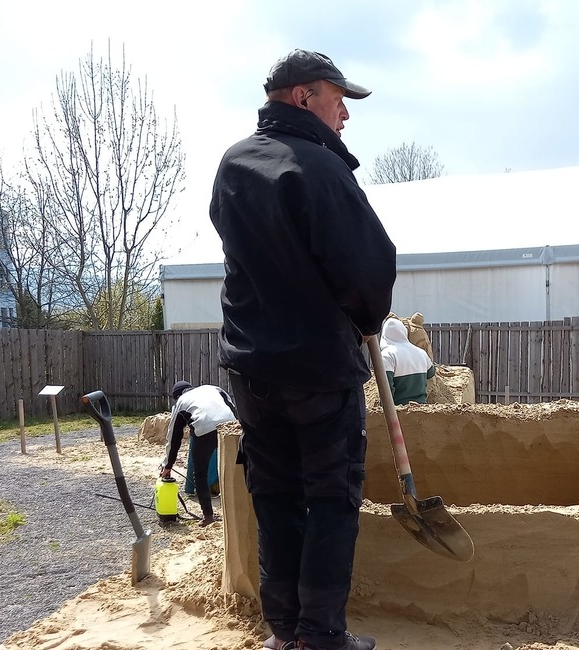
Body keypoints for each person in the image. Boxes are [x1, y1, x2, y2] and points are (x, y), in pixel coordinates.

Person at [209, 49, 396, 650]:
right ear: (302, 97)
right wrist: (365, 317)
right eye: (338, 99)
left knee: (276, 497)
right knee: (332, 498)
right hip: (318, 368)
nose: (346, 113)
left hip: (252, 372)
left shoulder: (233, 164)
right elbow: (368, 268)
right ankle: (321, 635)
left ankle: (284, 632)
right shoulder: (320, 168)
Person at [159, 380, 237, 527]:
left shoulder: (181, 402)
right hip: (231, 426)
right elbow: (231, 406)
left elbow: (174, 436)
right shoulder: (213, 388)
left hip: (204, 429)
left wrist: (168, 465)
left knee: (200, 474)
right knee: (236, 468)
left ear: (177, 396)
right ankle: (239, 509)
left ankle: (208, 516)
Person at [379, 317, 437, 405]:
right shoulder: (421, 352)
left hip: (399, 408)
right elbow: (431, 372)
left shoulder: (387, 355)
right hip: (421, 406)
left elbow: (386, 387)